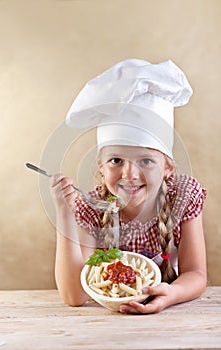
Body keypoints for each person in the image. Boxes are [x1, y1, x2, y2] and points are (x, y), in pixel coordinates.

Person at [50, 58, 207, 314]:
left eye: (146, 160)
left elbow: (196, 274)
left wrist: (171, 294)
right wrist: (64, 214)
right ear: (101, 165)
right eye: (116, 160)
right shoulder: (92, 209)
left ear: (168, 168)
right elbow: (74, 295)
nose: (130, 174)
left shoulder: (183, 196)